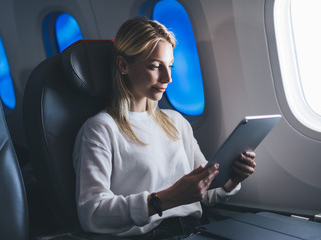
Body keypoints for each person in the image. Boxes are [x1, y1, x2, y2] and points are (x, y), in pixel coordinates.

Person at [73, 17, 257, 239]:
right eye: (154, 66)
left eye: (169, 66)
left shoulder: (175, 121)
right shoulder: (100, 129)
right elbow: (92, 213)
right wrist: (167, 198)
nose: (168, 78)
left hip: (195, 230)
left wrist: (232, 180)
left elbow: (204, 194)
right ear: (123, 65)